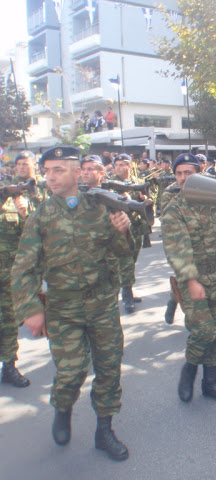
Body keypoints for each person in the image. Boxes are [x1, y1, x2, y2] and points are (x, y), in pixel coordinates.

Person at [12, 146, 132, 461]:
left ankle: (104, 429)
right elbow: (24, 268)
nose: (50, 177)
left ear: (77, 172)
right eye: (47, 170)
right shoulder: (41, 217)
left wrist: (123, 232)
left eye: (58, 170)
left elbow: (122, 251)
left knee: (109, 367)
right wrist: (31, 309)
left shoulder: (99, 206)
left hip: (102, 303)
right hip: (63, 308)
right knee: (72, 370)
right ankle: (63, 408)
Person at [162, 154, 216, 404]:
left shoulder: (213, 201)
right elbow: (177, 250)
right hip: (190, 279)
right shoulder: (174, 209)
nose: (183, 178)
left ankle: (210, 382)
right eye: (179, 173)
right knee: (205, 330)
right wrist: (191, 281)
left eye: (188, 173)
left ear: (200, 171)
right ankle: (190, 369)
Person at [0, 151, 45, 388]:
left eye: (24, 163)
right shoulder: (6, 191)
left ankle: (8, 365)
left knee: (8, 321)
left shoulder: (38, 195)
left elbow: (40, 233)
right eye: (17, 164)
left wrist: (26, 214)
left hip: (11, 272)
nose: (20, 167)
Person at [109, 154, 154, 313]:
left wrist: (144, 198)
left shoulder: (137, 183)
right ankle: (125, 295)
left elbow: (149, 201)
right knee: (124, 263)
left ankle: (128, 290)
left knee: (131, 261)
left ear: (129, 166)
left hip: (135, 228)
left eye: (122, 164)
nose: (119, 167)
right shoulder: (110, 184)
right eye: (117, 165)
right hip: (119, 229)